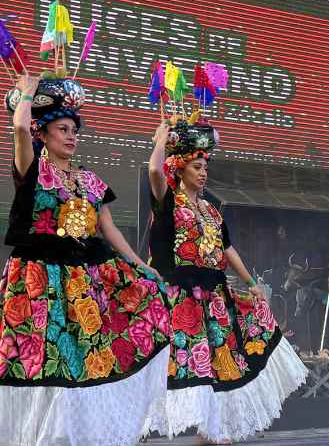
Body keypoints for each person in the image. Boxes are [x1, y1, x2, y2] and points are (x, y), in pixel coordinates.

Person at [0, 73, 171, 445]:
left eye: (74, 129)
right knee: (44, 362)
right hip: (39, 279)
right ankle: (38, 437)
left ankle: (76, 434)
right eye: (62, 129)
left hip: (82, 280)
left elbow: (109, 231)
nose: (71, 135)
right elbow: (18, 131)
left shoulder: (90, 181)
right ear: (42, 134)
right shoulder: (34, 170)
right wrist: (27, 95)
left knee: (84, 360)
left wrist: (141, 266)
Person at [145, 117, 308, 443]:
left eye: (206, 166)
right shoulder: (169, 204)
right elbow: (153, 172)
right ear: (179, 169)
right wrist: (159, 142)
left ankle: (215, 433)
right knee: (173, 367)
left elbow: (227, 248)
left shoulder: (211, 210)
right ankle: (141, 423)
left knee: (222, 364)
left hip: (215, 296)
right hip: (182, 299)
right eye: (197, 167)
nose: (204, 172)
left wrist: (251, 283)